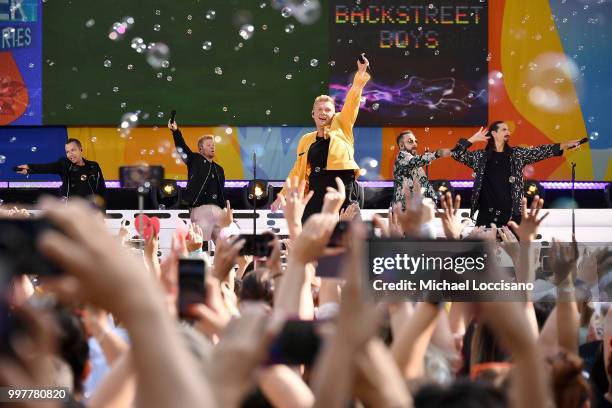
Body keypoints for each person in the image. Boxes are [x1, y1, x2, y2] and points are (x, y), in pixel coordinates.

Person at [270, 54, 371, 222]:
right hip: (316, 194)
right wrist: (282, 195)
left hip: (342, 189)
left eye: (328, 110)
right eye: (320, 109)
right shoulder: (306, 140)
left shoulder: (342, 124)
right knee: (313, 237)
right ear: (313, 114)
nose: (323, 113)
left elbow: (353, 99)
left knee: (350, 239)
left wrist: (361, 74)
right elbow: (297, 171)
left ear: (335, 114)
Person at [451, 121, 583, 226]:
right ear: (494, 133)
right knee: (485, 255)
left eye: (508, 129)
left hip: (512, 215)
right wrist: (472, 139)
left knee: (515, 255)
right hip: (486, 215)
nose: (508, 132)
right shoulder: (480, 157)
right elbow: (456, 154)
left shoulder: (517, 154)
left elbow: (541, 151)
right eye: (504, 129)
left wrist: (564, 145)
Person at [168, 119, 230, 241]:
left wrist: (224, 210)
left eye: (213, 145)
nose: (212, 147)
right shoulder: (194, 160)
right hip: (201, 209)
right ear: (201, 149)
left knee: (225, 246)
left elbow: (221, 191)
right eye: (208, 145)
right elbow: (182, 148)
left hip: (218, 210)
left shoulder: (219, 169)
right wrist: (175, 131)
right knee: (201, 245)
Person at [15, 138, 106, 201]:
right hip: (70, 211)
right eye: (67, 152)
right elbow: (47, 168)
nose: (70, 154)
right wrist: (29, 168)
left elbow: (102, 190)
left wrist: (101, 212)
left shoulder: (94, 166)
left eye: (73, 150)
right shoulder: (64, 164)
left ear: (81, 149)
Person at [392, 130, 451, 208]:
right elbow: (417, 161)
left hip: (416, 208)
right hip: (407, 209)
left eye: (416, 141)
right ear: (402, 145)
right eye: (410, 141)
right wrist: (437, 153)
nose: (415, 144)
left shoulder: (412, 160)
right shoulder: (402, 158)